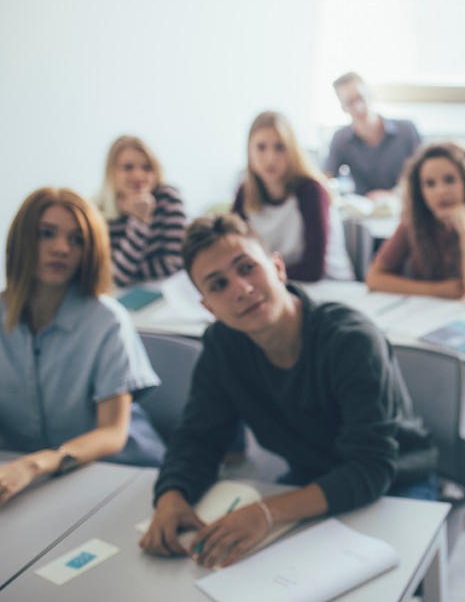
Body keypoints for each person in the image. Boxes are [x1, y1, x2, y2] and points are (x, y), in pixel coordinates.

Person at [140, 214, 435, 568]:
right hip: (312, 475)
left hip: (396, 481)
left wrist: (265, 512)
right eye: (217, 285)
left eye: (247, 267)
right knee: (251, 572)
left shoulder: (351, 340)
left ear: (277, 267)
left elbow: (371, 468)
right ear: (208, 307)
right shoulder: (222, 345)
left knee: (367, 594)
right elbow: (199, 435)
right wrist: (172, 493)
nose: (241, 289)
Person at [0, 188, 164, 506]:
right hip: (34, 483)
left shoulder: (106, 320)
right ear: (22, 240)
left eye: (77, 240)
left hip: (120, 473)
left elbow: (113, 433)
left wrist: (38, 462)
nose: (61, 248)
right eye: (46, 234)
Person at [365, 141, 465, 306]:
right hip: (431, 311)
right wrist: (437, 290)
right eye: (430, 183)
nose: (440, 191)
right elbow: (374, 278)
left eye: (450, 180)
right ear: (420, 190)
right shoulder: (413, 221)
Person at [232, 111, 353, 282]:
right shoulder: (245, 193)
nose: (270, 157)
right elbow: (232, 252)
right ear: (249, 150)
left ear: (292, 150)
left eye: (280, 147)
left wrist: (258, 274)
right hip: (277, 283)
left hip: (328, 286)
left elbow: (313, 270)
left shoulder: (311, 192)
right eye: (261, 147)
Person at [94, 135, 187, 287]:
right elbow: (115, 277)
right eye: (128, 167)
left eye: (147, 167)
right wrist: (139, 222)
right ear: (112, 171)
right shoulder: (98, 213)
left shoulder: (168, 199)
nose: (138, 175)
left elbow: (175, 263)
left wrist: (131, 271)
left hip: (166, 290)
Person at [321, 72, 422, 200]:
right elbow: (325, 178)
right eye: (349, 103)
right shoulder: (340, 138)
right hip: (363, 213)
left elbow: (424, 173)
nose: (358, 107)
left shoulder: (407, 130)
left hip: (405, 205)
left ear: (370, 95)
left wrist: (393, 194)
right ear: (343, 108)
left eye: (360, 98)